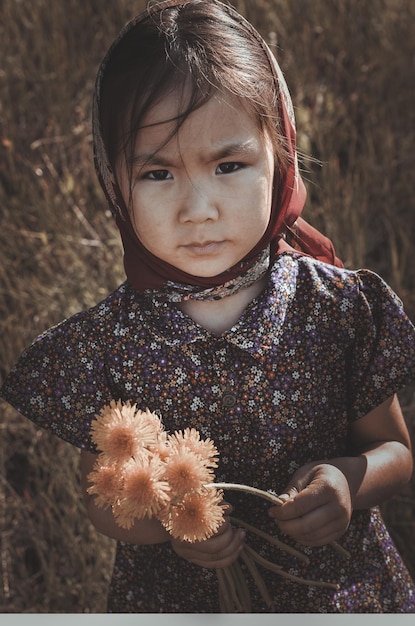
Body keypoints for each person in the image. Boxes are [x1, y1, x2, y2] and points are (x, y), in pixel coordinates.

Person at [1, 0, 415, 613]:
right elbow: (103, 497)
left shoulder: (335, 309)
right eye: (157, 174)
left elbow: (397, 452)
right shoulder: (109, 343)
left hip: (339, 594)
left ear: (280, 154)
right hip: (178, 600)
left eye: (229, 165)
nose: (198, 209)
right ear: (113, 181)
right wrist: (167, 523)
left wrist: (347, 482)